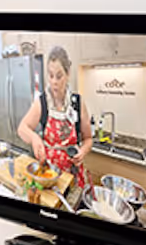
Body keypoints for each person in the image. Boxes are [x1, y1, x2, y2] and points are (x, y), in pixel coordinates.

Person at [17, 44, 91, 190]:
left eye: (59, 76)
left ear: (68, 74)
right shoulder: (42, 103)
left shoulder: (77, 102)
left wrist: (82, 151)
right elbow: (22, 128)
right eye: (50, 76)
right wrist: (34, 138)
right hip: (49, 176)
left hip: (73, 176)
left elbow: (88, 138)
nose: (54, 82)